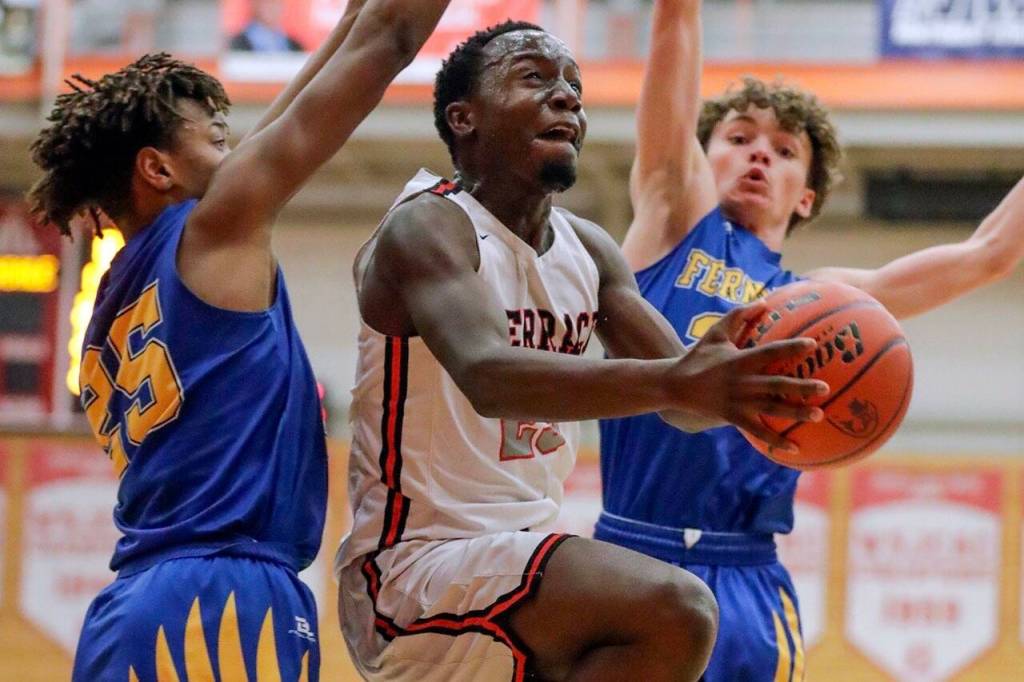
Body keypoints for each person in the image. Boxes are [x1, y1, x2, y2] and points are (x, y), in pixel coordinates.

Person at [334, 21, 832, 682]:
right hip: (413, 569)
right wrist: (679, 382)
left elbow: (683, 400)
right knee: (674, 608)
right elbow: (489, 376)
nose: (566, 97)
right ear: (465, 118)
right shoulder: (428, 224)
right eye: (534, 79)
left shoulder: (590, 251)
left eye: (573, 86)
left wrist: (747, 387)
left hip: (519, 567)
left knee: (665, 627)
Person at [598, 2, 1024, 681]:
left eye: (786, 149)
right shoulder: (670, 217)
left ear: (807, 196)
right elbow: (674, 22)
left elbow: (989, 253)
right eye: (738, 137)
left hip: (745, 574)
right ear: (701, 158)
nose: (760, 151)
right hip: (630, 550)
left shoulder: (825, 305)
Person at [27, 0, 451, 679]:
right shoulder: (215, 228)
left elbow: (308, 92)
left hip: (133, 604)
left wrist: (348, 16)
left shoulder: (110, 308)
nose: (239, 151)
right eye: (217, 140)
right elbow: (392, 37)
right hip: (221, 596)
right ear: (158, 170)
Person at [229, 0, 304, 52]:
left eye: (276, 2)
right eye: (267, 2)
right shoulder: (237, 44)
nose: (272, 7)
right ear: (254, 4)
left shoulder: (294, 45)